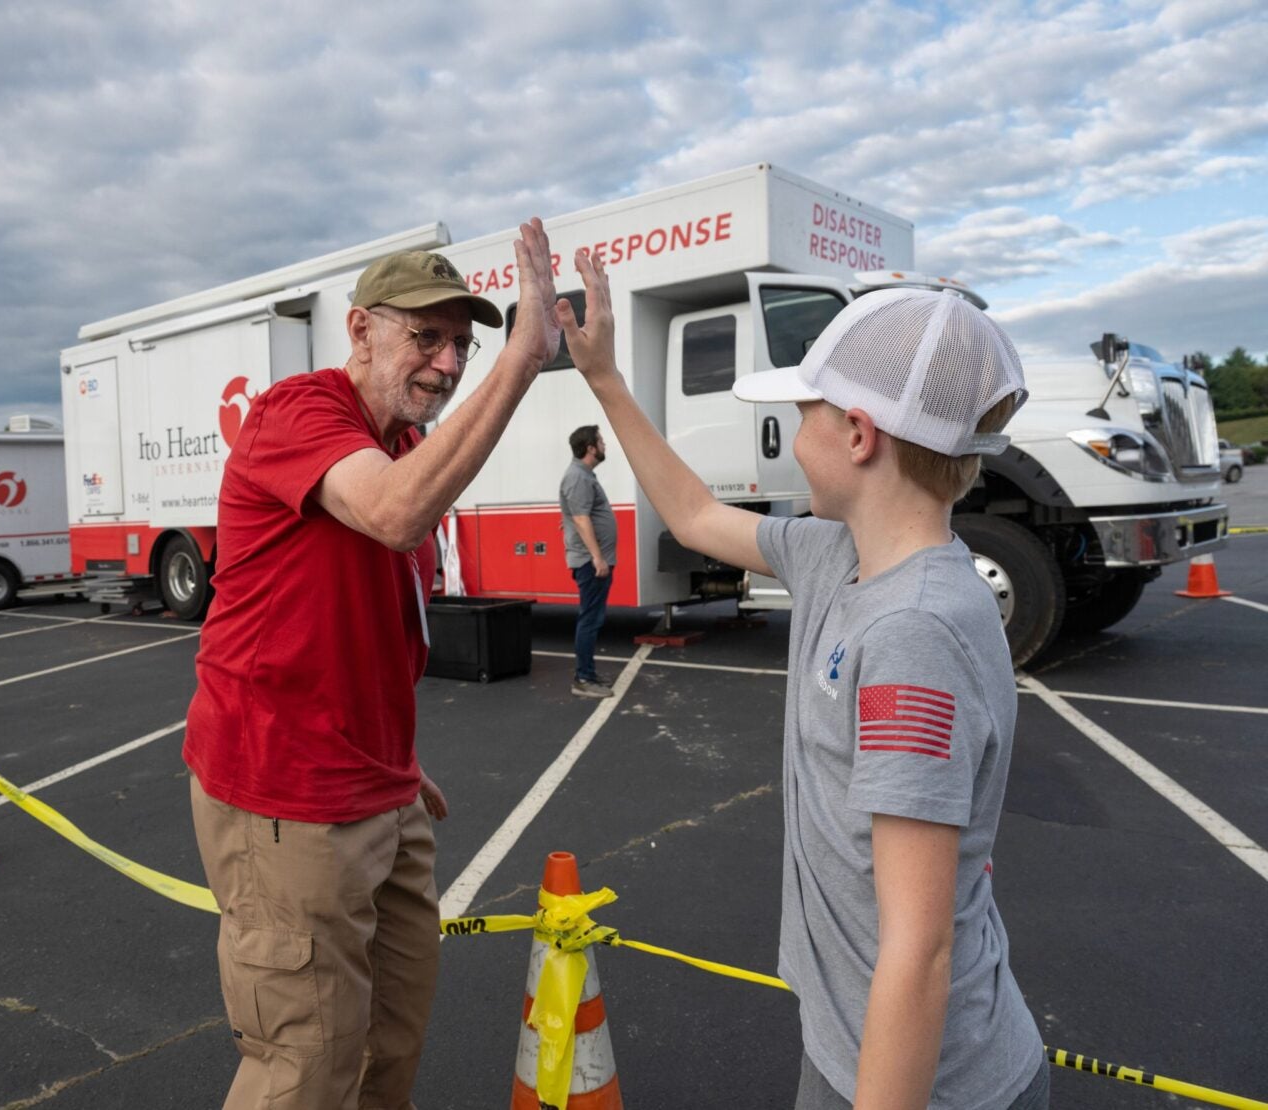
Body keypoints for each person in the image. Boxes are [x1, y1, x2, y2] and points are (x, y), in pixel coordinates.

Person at [558, 250, 1049, 1110]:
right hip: (851, 1040)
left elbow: (919, 948)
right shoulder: (835, 555)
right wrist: (604, 380)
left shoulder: (913, 632)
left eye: (803, 409)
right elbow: (698, 515)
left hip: (915, 1081)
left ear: (858, 436)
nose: (790, 426)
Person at [183, 221, 563, 1109]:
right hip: (288, 800)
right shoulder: (299, 414)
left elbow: (377, 628)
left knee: (387, 1048)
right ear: (359, 332)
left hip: (378, 792)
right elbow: (394, 515)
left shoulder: (396, 448)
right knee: (304, 1071)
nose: (447, 362)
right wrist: (521, 359)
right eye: (424, 337)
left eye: (464, 344)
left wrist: (400, 765)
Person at [560, 424, 618, 697]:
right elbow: (581, 518)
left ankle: (589, 674)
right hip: (589, 562)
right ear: (591, 448)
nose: (605, 445)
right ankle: (583, 679)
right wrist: (597, 557)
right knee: (590, 620)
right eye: (601, 441)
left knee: (592, 619)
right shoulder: (578, 477)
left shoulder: (583, 475)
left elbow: (575, 515)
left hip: (591, 559)